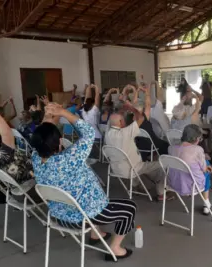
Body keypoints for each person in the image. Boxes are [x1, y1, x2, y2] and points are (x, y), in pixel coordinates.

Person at [31, 103, 135, 261]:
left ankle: (96, 233)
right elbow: (88, 133)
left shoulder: (36, 158)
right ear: (59, 142)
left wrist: (50, 115)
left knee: (85, 197)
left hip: (60, 215)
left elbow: (43, 135)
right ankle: (115, 248)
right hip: (84, 216)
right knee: (130, 209)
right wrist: (63, 112)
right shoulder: (70, 157)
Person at [105, 105, 171, 201]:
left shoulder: (107, 133)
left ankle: (136, 185)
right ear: (120, 122)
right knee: (162, 165)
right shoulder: (126, 133)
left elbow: (111, 121)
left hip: (115, 169)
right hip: (133, 169)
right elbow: (141, 118)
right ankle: (161, 193)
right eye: (122, 120)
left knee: (134, 160)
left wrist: (121, 109)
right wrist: (131, 107)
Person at [168, 124, 212, 215]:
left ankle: (207, 204)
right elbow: (204, 169)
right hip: (192, 185)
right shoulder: (198, 149)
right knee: (207, 170)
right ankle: (206, 204)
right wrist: (207, 167)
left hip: (173, 183)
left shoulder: (171, 148)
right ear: (196, 138)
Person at [133, 84, 169, 161]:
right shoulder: (144, 117)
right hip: (151, 144)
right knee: (166, 145)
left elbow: (134, 103)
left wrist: (137, 91)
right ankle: (165, 162)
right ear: (142, 109)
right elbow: (148, 104)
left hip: (140, 146)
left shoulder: (133, 119)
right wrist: (147, 92)